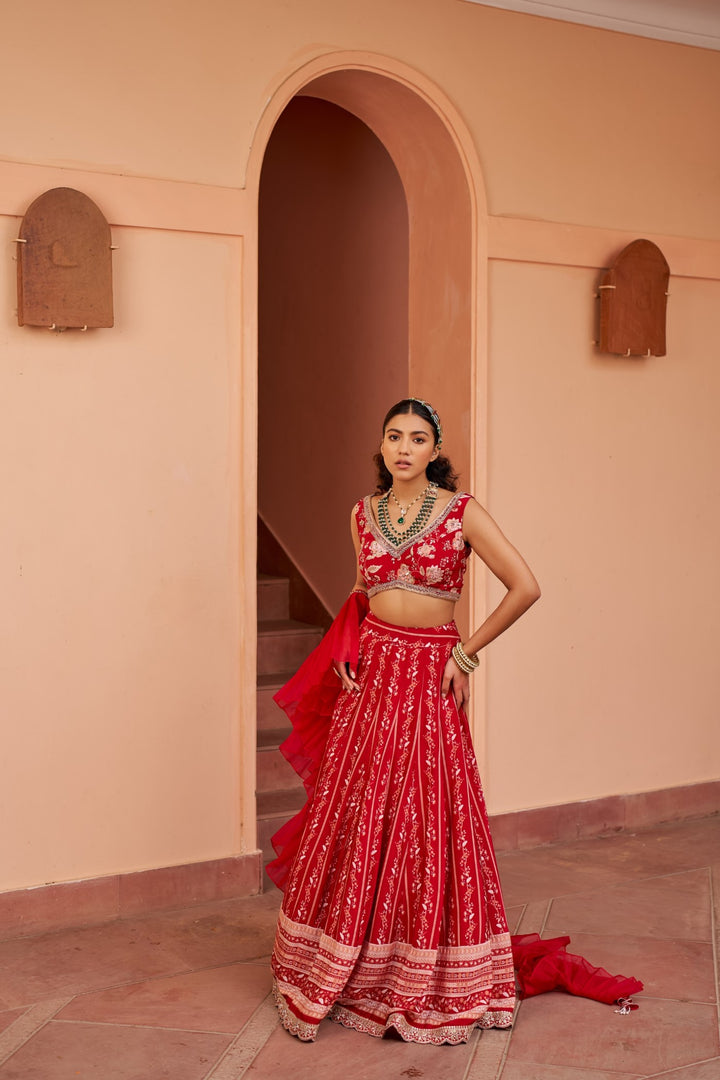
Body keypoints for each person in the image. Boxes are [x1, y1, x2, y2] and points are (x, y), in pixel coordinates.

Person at [268, 397, 540, 1045]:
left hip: (429, 677)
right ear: (382, 444)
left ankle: (420, 970)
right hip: (373, 677)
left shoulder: (460, 511)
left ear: (433, 449)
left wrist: (466, 654)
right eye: (394, 436)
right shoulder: (362, 513)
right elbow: (364, 591)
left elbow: (526, 585)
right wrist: (347, 645)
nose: (404, 448)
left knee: (424, 816)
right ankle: (344, 966)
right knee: (360, 813)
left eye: (418, 439)